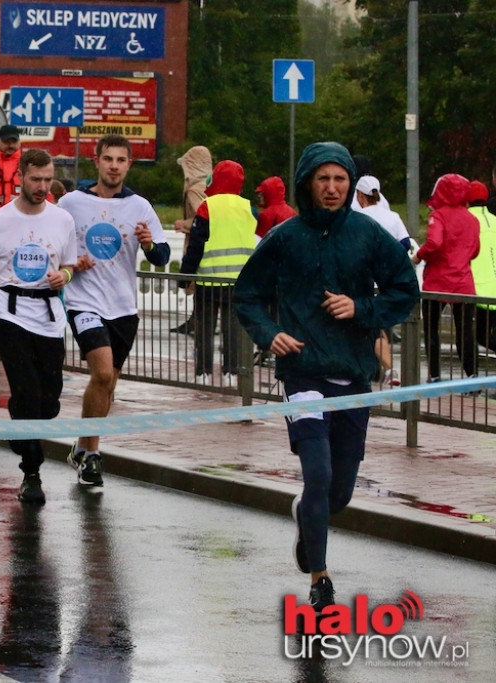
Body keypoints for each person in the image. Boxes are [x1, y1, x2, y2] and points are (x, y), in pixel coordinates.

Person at [234, 141, 420, 615]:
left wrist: (361, 308)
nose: (332, 188)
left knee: (338, 492)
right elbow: (247, 295)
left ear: (350, 184)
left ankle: (307, 518)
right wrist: (269, 333)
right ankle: (321, 578)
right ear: (308, 184)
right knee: (317, 475)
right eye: (323, 179)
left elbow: (405, 291)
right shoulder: (286, 237)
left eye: (340, 179)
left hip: (353, 374)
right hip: (303, 375)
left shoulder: (368, 234)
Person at [60, 134, 171, 486]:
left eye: (120, 160)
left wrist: (150, 244)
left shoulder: (140, 207)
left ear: (128, 165)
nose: (113, 166)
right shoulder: (71, 203)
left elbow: (162, 257)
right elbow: (52, 243)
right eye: (107, 159)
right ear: (96, 162)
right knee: (103, 374)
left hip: (123, 306)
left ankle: (81, 446)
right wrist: (71, 264)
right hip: (84, 302)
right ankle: (92, 455)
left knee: (108, 385)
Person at [0, 148, 76, 504]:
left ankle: (21, 424)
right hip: (8, 314)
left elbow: (71, 265)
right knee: (28, 392)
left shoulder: (62, 220)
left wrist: (64, 275)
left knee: (50, 400)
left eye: (48, 180)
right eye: (36, 180)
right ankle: (32, 471)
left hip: (48, 316)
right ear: (21, 179)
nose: (43, 186)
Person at [178, 159, 257, 383]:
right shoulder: (248, 208)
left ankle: (203, 373)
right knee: (232, 331)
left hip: (209, 281)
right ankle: (231, 373)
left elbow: (196, 245)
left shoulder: (207, 206)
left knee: (204, 331)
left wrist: (185, 277)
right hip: (238, 283)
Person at [412, 174, 479, 382]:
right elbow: (475, 250)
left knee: (431, 331)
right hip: (463, 283)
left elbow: (434, 243)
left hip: (438, 283)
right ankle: (472, 376)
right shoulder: (472, 218)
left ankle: (434, 375)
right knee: (466, 332)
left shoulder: (438, 216)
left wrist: (418, 256)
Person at [354, 175, 413, 387]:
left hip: (365, 282)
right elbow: (405, 244)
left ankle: (387, 370)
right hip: (386, 281)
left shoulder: (358, 217)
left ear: (360, 194)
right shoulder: (393, 216)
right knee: (381, 326)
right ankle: (377, 369)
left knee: (372, 327)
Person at [171, 145, 213, 335]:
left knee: (195, 282)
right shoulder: (210, 186)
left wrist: (184, 224)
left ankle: (198, 321)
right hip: (208, 242)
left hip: (196, 239)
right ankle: (198, 319)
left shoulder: (194, 190)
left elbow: (202, 218)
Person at [468, 181, 496, 352]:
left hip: (477, 289)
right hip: (492, 289)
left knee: (481, 335)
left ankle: (472, 376)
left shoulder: (467, 220)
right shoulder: (494, 220)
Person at [254, 176, 296, 240]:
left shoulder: (265, 215)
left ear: (268, 194)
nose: (259, 196)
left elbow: (259, 240)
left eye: (262, 193)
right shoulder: (293, 213)